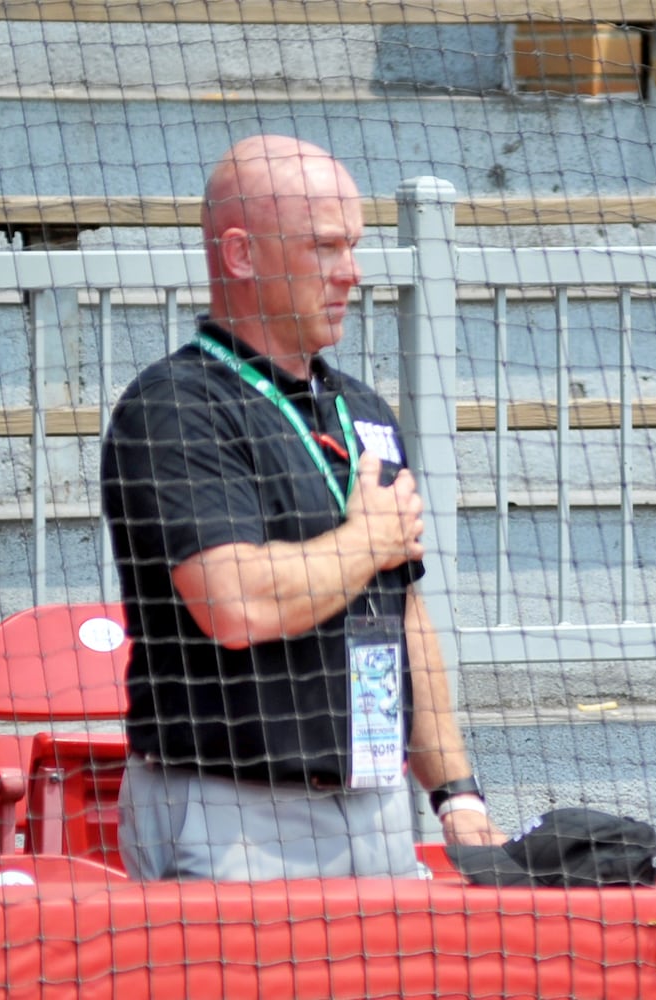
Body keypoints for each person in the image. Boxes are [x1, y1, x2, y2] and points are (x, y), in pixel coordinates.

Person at [102, 134, 505, 880]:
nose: (350, 272)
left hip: (376, 802)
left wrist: (456, 794)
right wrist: (366, 539)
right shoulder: (174, 407)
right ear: (241, 255)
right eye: (323, 246)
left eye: (352, 245)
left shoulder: (362, 409)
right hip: (236, 814)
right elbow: (233, 605)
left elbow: (402, 613)